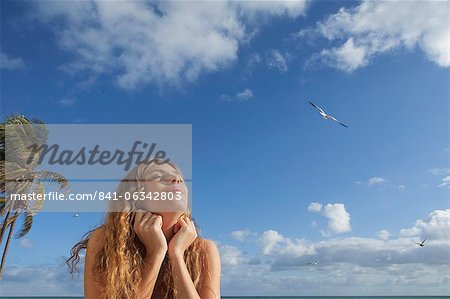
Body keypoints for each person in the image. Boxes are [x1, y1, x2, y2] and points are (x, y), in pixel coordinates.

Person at [66, 157, 221, 299]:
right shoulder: (107, 242)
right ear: (136, 194)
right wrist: (156, 253)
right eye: (159, 176)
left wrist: (177, 255)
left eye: (179, 178)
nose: (176, 179)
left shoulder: (204, 250)